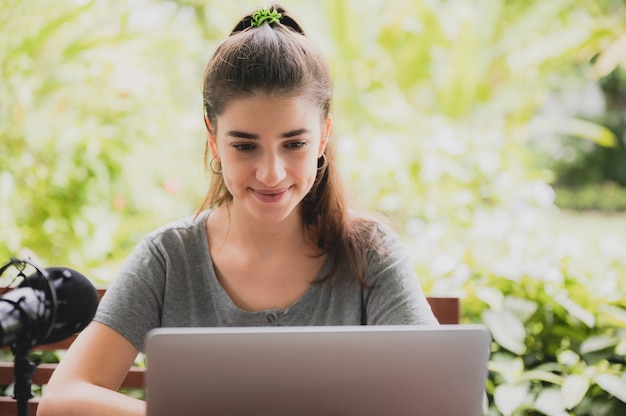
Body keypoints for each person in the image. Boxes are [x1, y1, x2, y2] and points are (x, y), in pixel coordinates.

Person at [37, 5, 438, 415]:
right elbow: (61, 400)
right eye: (245, 146)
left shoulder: (370, 254)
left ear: (323, 138)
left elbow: (438, 395)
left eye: (294, 143)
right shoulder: (168, 259)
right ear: (214, 140)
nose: (270, 173)